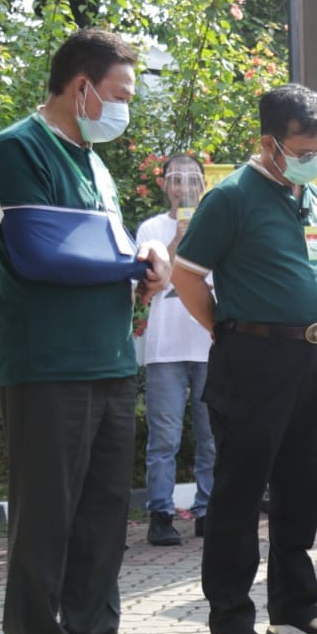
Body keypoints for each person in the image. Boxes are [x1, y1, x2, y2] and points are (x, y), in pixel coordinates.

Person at [0, 28, 167, 634]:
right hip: (46, 364)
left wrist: (145, 267)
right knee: (46, 517)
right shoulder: (18, 148)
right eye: (119, 94)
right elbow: (40, 253)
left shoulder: (96, 164)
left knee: (101, 514)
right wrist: (130, 263)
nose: (124, 108)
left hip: (109, 359)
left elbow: (105, 250)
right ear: (81, 86)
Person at [172, 83, 317, 634]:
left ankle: (294, 611)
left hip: (312, 358)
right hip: (251, 358)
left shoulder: (314, 199)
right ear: (269, 143)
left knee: (303, 485)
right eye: (304, 149)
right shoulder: (232, 197)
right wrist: (225, 329)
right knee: (240, 491)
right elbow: (186, 275)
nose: (315, 158)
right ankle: (231, 618)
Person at [135, 154, 216, 545]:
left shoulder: (216, 224)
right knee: (164, 438)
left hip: (209, 346)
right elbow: (152, 281)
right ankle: (161, 513)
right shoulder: (151, 228)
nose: (185, 186)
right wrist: (179, 237)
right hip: (165, 351)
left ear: (203, 184)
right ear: (165, 185)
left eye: (192, 179)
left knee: (211, 436)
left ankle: (207, 510)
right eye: (177, 179)